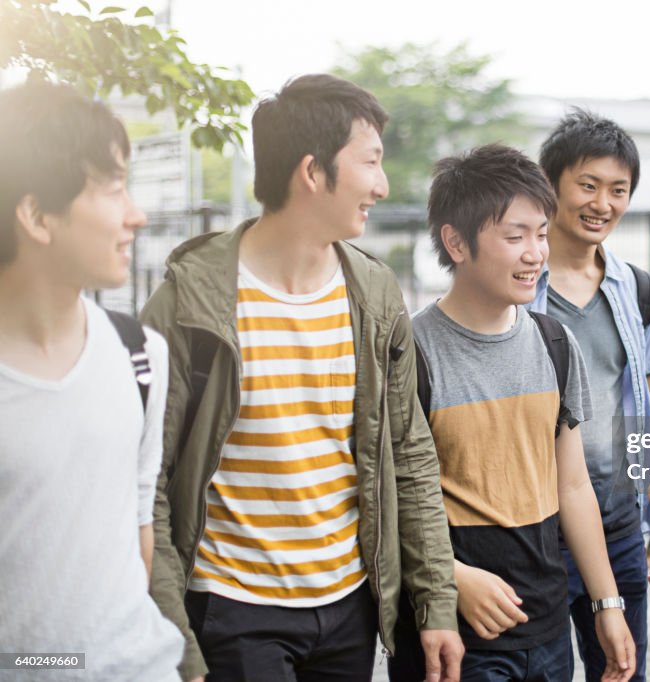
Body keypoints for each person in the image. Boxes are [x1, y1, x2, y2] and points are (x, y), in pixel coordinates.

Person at [140, 74, 462, 682]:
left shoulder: (373, 293)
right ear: (312, 173)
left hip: (348, 609)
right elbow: (145, 480)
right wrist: (172, 633)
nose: (382, 185)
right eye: (369, 162)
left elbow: (409, 453)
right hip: (232, 613)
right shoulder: (189, 302)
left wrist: (435, 601)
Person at [401, 144, 636, 682]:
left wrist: (607, 604)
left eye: (540, 234)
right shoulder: (410, 353)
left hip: (547, 627)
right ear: (455, 242)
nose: (535, 253)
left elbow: (573, 486)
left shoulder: (555, 343)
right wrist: (451, 578)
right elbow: (388, 498)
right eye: (514, 237)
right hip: (454, 634)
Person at [0, 82, 184, 680]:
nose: (136, 214)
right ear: (35, 215)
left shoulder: (141, 355)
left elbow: (138, 530)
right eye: (112, 189)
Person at [527, 110, 650, 681]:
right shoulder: (515, 289)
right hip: (537, 531)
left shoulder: (636, 289)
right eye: (587, 185)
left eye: (618, 190)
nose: (602, 204)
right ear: (551, 186)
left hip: (618, 527)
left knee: (622, 672)